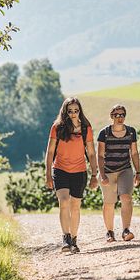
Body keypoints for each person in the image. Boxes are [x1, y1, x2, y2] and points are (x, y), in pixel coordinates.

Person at [45, 97, 98, 253]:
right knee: (64, 202)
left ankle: (74, 240)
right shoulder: (57, 127)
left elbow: (91, 153)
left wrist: (95, 174)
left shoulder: (85, 128)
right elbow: (50, 152)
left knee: (75, 207)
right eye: (70, 111)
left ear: (80, 111)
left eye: (76, 111)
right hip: (60, 170)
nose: (73, 114)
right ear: (65, 112)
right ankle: (66, 238)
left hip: (79, 171)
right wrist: (48, 174)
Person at [97, 104, 140, 242]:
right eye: (116, 115)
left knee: (126, 197)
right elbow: (100, 155)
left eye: (122, 115)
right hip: (108, 171)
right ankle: (110, 232)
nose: (119, 117)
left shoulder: (131, 132)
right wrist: (102, 174)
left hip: (125, 169)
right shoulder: (104, 133)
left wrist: (138, 172)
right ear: (112, 116)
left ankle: (126, 230)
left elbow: (134, 153)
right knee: (109, 202)